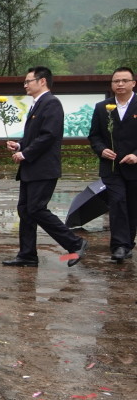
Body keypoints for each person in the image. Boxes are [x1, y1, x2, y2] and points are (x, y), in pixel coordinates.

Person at [2, 67, 87, 267]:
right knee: (25, 209)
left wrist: (25, 153)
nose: (25, 85)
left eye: (28, 81)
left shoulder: (51, 103)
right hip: (31, 169)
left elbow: (49, 136)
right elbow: (35, 136)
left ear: (42, 81)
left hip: (43, 169)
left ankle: (76, 243)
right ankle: (27, 255)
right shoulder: (37, 104)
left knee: (36, 209)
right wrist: (20, 145)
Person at [87, 67, 137, 262]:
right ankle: (118, 245)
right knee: (117, 202)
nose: (120, 84)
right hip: (112, 167)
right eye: (116, 81)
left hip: (134, 166)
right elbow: (94, 135)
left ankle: (127, 244)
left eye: (125, 80)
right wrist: (101, 150)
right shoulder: (102, 107)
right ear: (111, 84)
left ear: (133, 83)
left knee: (132, 206)